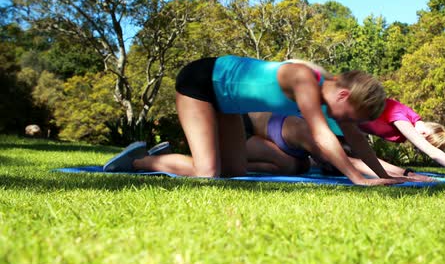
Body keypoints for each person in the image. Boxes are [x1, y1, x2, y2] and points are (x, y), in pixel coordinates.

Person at [103, 55, 401, 186]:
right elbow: (321, 135)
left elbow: (358, 140)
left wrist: (384, 175)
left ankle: (164, 159)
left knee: (233, 171)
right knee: (207, 173)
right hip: (202, 82)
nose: (351, 124)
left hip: (228, 102)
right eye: (353, 116)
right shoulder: (305, 80)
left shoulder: (332, 95)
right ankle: (142, 161)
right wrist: (358, 179)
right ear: (344, 96)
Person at [242, 98, 445, 180]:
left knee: (309, 164)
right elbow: (432, 153)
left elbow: (438, 150)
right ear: (426, 132)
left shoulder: (414, 118)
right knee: (346, 159)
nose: (420, 145)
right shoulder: (403, 119)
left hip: (341, 127)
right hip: (324, 119)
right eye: (425, 140)